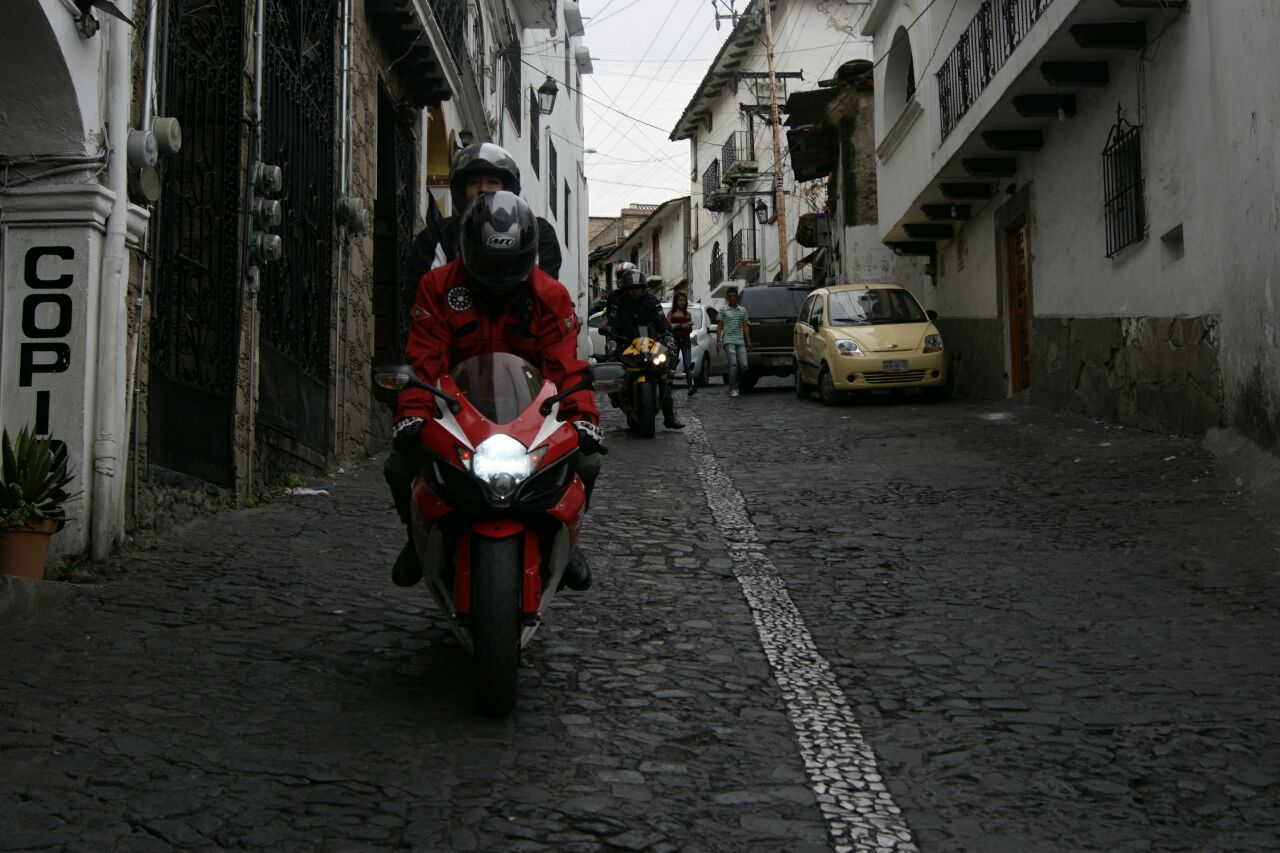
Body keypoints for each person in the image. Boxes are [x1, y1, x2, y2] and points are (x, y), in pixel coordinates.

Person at [384, 191, 602, 590]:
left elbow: (565, 365)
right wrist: (412, 413)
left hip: (531, 412)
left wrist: (582, 418)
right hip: (453, 409)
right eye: (489, 261)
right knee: (399, 464)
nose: (499, 274)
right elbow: (425, 359)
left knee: (587, 464)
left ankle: (564, 540)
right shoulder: (437, 287)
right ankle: (415, 539)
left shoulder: (550, 296)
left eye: (510, 263)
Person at [409, 142, 562, 282]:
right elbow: (426, 293)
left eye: (492, 182)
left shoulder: (536, 231)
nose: (483, 188)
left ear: (507, 188)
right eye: (474, 182)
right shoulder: (439, 234)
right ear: (462, 191)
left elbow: (545, 290)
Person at [604, 265, 683, 429]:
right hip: (626, 343)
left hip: (650, 343)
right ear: (625, 289)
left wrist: (668, 335)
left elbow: (661, 321)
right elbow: (613, 324)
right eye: (632, 289)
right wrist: (611, 339)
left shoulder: (651, 300)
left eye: (638, 288)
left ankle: (669, 414)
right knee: (611, 361)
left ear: (643, 288)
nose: (635, 292)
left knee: (665, 373)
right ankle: (615, 393)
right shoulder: (617, 302)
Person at [715, 285, 752, 397]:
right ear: (727, 298)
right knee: (733, 364)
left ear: (737, 298)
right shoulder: (723, 310)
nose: (732, 298)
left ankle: (735, 382)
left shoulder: (742, 310)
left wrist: (749, 341)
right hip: (728, 340)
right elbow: (719, 326)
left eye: (734, 296)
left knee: (744, 365)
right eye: (730, 296)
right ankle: (733, 388)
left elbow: (745, 326)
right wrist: (718, 341)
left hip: (740, 341)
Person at [667, 291, 696, 395]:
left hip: (686, 341)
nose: (682, 302)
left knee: (687, 365)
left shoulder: (687, 314)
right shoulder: (671, 313)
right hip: (674, 341)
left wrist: (689, 326)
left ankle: (690, 387)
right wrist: (681, 326)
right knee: (672, 364)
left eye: (684, 300)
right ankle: (669, 386)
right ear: (676, 301)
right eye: (680, 300)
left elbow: (690, 330)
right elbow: (668, 327)